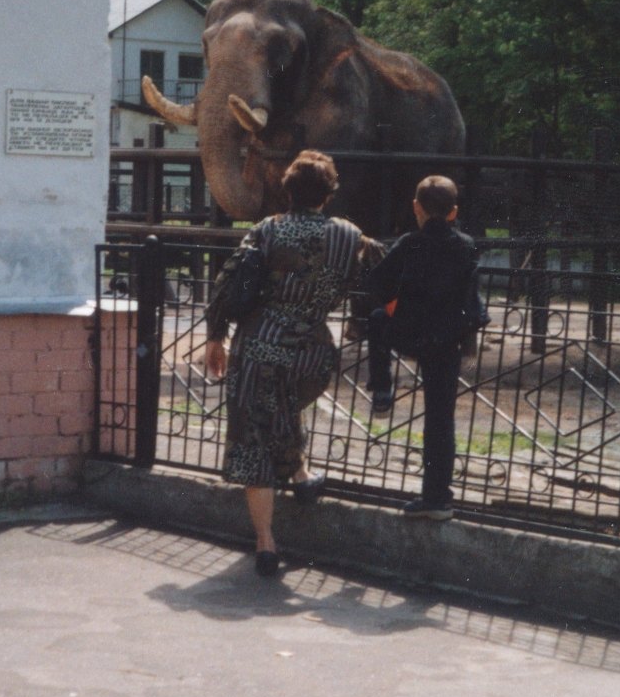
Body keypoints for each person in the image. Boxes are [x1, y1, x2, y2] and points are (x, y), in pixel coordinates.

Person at [204, 150, 379, 577]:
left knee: (255, 438)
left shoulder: (267, 230)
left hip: (259, 346)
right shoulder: (350, 236)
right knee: (282, 408)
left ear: (287, 191)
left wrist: (215, 336)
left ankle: (266, 543)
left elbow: (229, 281)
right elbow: (379, 278)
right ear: (328, 194)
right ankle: (300, 475)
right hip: (312, 354)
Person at [364, 174, 482, 521]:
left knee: (377, 320)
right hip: (446, 340)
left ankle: (381, 388)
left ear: (416, 207)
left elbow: (377, 282)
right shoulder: (466, 245)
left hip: (410, 331)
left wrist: (394, 306)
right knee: (440, 420)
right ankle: (437, 499)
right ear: (453, 211)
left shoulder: (409, 243)